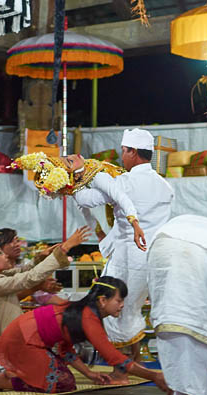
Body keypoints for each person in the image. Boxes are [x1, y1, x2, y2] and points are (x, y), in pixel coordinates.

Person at [73, 128, 174, 375]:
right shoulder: (165, 185)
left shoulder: (123, 182)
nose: (121, 156)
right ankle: (134, 365)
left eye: (124, 150)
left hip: (128, 258)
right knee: (132, 309)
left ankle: (121, 372)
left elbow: (86, 200)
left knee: (117, 310)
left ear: (133, 152)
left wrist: (73, 177)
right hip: (153, 257)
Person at [0, 276, 170, 395]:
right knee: (59, 383)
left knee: (64, 380)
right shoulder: (88, 318)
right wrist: (154, 376)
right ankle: (2, 380)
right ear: (103, 301)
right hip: (24, 339)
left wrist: (88, 373)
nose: (121, 305)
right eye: (119, 300)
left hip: (29, 338)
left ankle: (12, 378)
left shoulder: (87, 313)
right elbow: (114, 357)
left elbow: (65, 349)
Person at [147, 211, 207, 395]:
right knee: (193, 379)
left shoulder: (191, 224)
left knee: (178, 374)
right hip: (197, 269)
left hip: (161, 248)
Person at [10, 152, 146, 251]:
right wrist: (135, 223)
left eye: (66, 157)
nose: (73, 156)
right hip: (136, 204)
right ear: (73, 176)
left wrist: (98, 232)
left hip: (132, 201)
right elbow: (119, 196)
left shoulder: (85, 177)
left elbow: (86, 209)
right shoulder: (94, 182)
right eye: (69, 162)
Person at [0, 227, 91, 334]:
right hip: (6, 336)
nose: (5, 256)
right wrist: (64, 248)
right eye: (0, 253)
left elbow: (23, 271)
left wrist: (40, 258)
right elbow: (29, 277)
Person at [0, 228, 65, 305]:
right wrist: (66, 247)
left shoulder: (21, 265)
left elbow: (26, 273)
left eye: (17, 241)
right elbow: (29, 278)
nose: (17, 245)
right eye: (11, 241)